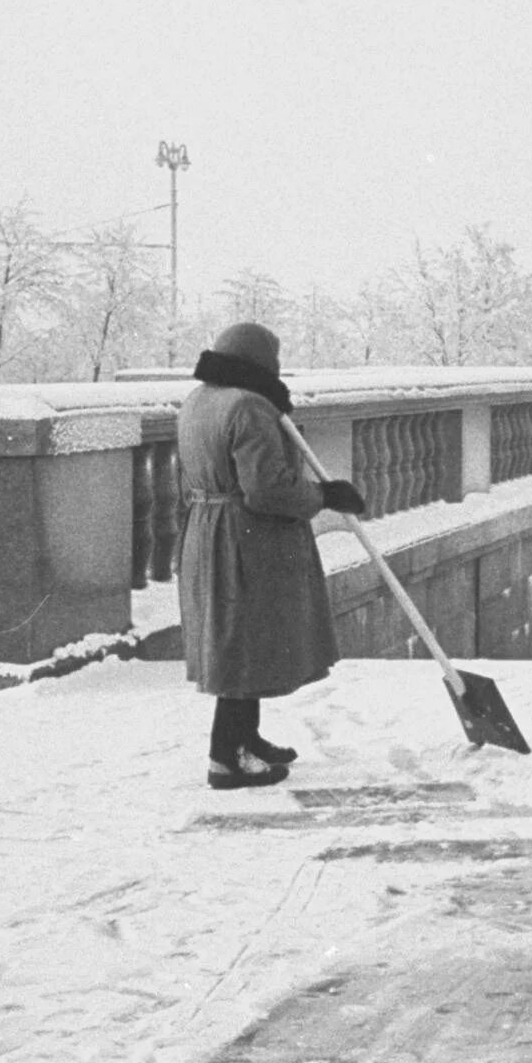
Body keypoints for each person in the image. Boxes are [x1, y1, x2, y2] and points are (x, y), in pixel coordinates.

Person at [177, 322, 367, 791]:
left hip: (208, 531)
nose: (280, 368)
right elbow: (266, 489)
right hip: (248, 538)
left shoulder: (198, 401)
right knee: (245, 642)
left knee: (241, 637)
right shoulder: (249, 407)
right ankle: (227, 759)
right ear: (259, 362)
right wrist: (324, 496)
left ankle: (248, 739)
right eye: (275, 360)